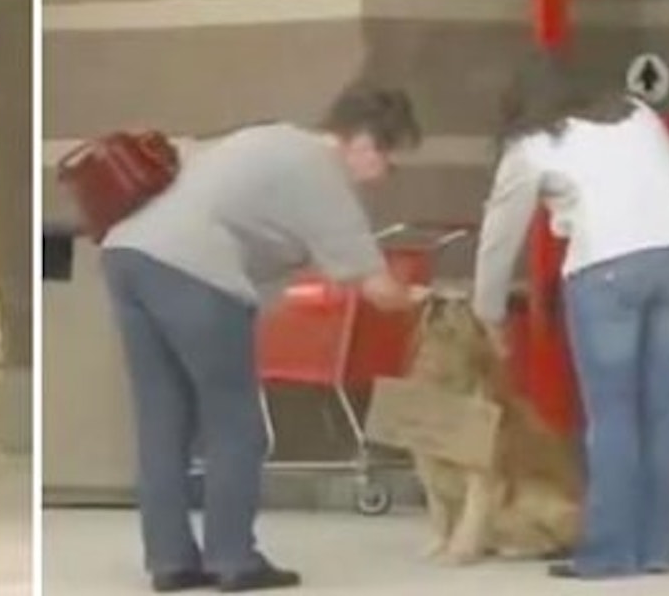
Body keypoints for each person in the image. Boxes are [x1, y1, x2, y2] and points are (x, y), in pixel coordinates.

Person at [99, 83, 428, 592]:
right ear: (364, 142)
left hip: (127, 256)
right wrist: (424, 297)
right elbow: (377, 287)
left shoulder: (269, 138)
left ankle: (170, 562)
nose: (385, 175)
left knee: (162, 419)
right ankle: (233, 558)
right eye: (390, 160)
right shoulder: (324, 174)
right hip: (197, 271)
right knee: (236, 424)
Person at [471, 50, 669, 579]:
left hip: (607, 266)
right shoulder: (639, 114)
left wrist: (488, 313)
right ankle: (659, 550)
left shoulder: (532, 145)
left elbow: (500, 237)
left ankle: (610, 553)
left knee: (613, 414)